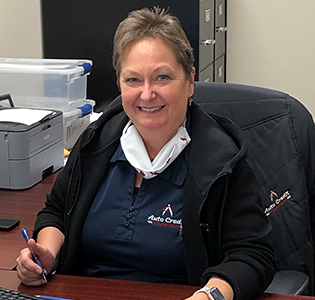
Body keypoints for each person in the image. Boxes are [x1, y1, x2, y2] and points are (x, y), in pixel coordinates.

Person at [16, 7, 276, 300]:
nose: (147, 93)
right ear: (119, 84)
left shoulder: (222, 161)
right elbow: (57, 211)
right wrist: (46, 255)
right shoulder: (96, 142)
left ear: (190, 81)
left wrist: (209, 296)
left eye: (163, 77)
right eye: (133, 80)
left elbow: (254, 256)